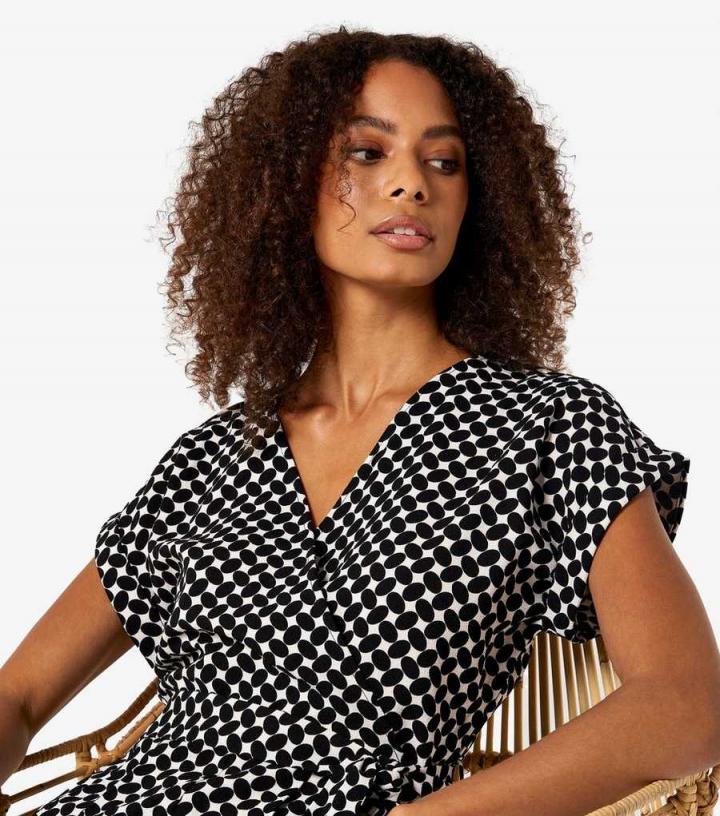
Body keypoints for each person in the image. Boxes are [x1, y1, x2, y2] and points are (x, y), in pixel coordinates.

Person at [0, 27, 715, 816]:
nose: (411, 183)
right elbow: (21, 694)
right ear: (287, 183)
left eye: (444, 161)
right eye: (367, 153)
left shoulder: (547, 428)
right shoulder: (212, 461)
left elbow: (686, 703)